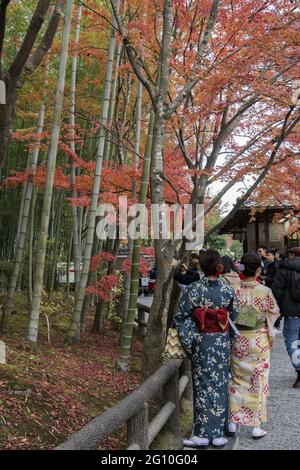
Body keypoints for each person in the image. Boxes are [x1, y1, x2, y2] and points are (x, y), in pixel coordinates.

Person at [174, 249, 239, 448]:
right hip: (221, 342)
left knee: (202, 385)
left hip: (202, 342)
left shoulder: (195, 288)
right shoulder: (227, 288)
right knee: (220, 384)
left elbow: (182, 314)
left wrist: (190, 329)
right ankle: (218, 434)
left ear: (201, 266)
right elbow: (234, 314)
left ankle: (202, 433)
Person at [228, 253, 280, 440]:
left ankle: (233, 424)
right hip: (258, 340)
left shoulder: (234, 290)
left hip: (239, 340)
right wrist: (265, 324)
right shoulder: (264, 291)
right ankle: (256, 427)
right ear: (259, 270)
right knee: (258, 381)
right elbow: (274, 312)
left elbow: (229, 314)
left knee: (238, 380)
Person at [272, 247, 300, 388]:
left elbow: (277, 291)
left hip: (291, 312)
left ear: (291, 255)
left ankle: (299, 368)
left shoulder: (283, 269)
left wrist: (277, 311)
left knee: (292, 341)